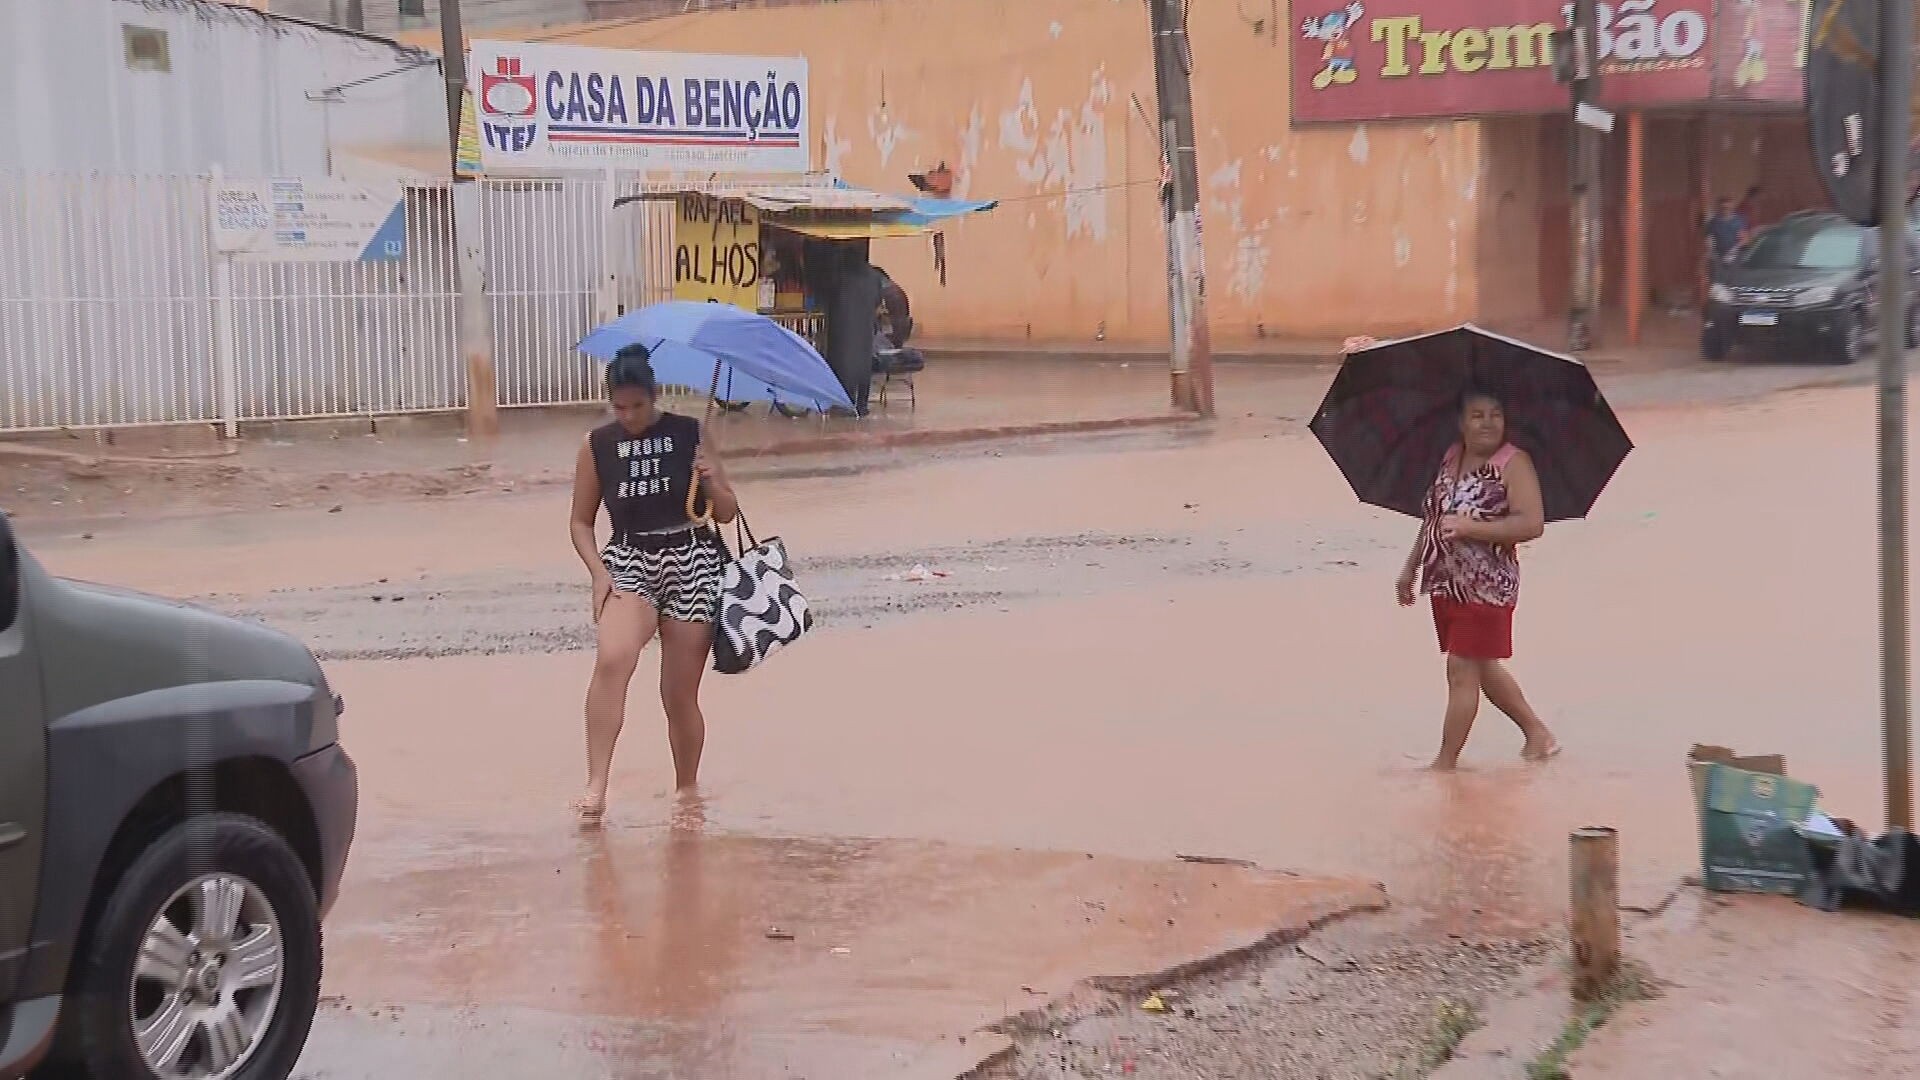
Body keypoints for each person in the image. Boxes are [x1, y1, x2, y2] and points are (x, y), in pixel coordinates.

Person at [568, 344, 737, 823]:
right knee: (613, 657)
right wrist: (598, 573)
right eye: (619, 407)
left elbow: (726, 512)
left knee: (678, 693)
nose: (628, 416)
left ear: (655, 395)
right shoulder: (597, 445)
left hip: (692, 559)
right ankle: (596, 786)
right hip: (630, 560)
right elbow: (580, 522)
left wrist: (711, 480)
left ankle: (686, 790)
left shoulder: (691, 433)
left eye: (637, 406)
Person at [1393, 384, 1560, 772]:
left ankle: (1444, 766)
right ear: (1461, 422)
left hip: (1488, 587)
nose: (1488, 423)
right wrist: (1410, 566)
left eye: (1496, 415)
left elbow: (1532, 523)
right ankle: (1538, 733)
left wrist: (1472, 528)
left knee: (1460, 670)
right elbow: (1433, 517)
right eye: (1478, 415)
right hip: (1446, 582)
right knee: (1482, 668)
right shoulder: (1451, 456)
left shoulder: (1514, 463)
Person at [1705, 196, 1748, 268]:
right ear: (1719, 207)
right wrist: (1710, 252)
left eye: (1728, 208)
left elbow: (1744, 239)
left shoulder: (1738, 221)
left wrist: (1732, 252)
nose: (1725, 210)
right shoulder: (1713, 222)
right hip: (1718, 255)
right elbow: (1708, 238)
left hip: (1736, 255)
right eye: (1723, 208)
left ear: (1732, 207)